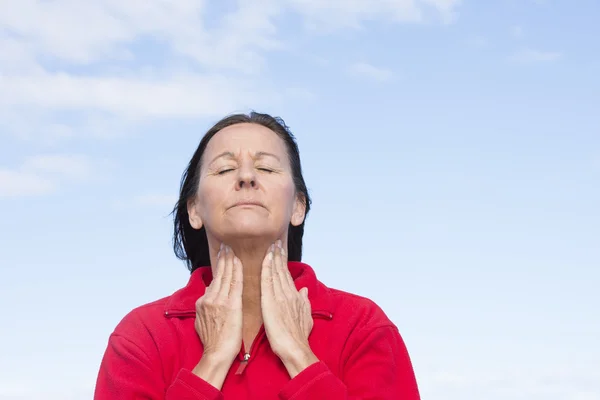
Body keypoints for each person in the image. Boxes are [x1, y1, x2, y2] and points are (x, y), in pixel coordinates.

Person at [94, 112, 421, 399]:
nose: (246, 177)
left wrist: (298, 356)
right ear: (194, 210)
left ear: (298, 207)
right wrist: (213, 361)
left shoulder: (361, 326)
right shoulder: (142, 335)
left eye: (266, 167)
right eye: (224, 170)